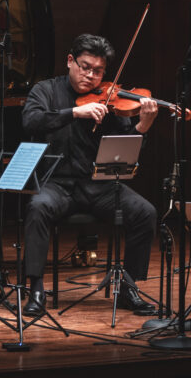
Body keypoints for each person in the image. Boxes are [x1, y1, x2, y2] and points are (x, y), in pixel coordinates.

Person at [20, 33, 159, 317]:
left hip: (98, 185)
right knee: (37, 207)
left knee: (145, 212)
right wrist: (75, 112)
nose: (91, 76)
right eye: (85, 67)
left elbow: (124, 145)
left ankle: (128, 287)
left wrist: (142, 126)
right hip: (56, 184)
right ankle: (35, 289)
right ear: (70, 61)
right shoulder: (45, 90)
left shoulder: (110, 98)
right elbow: (31, 121)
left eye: (98, 71)